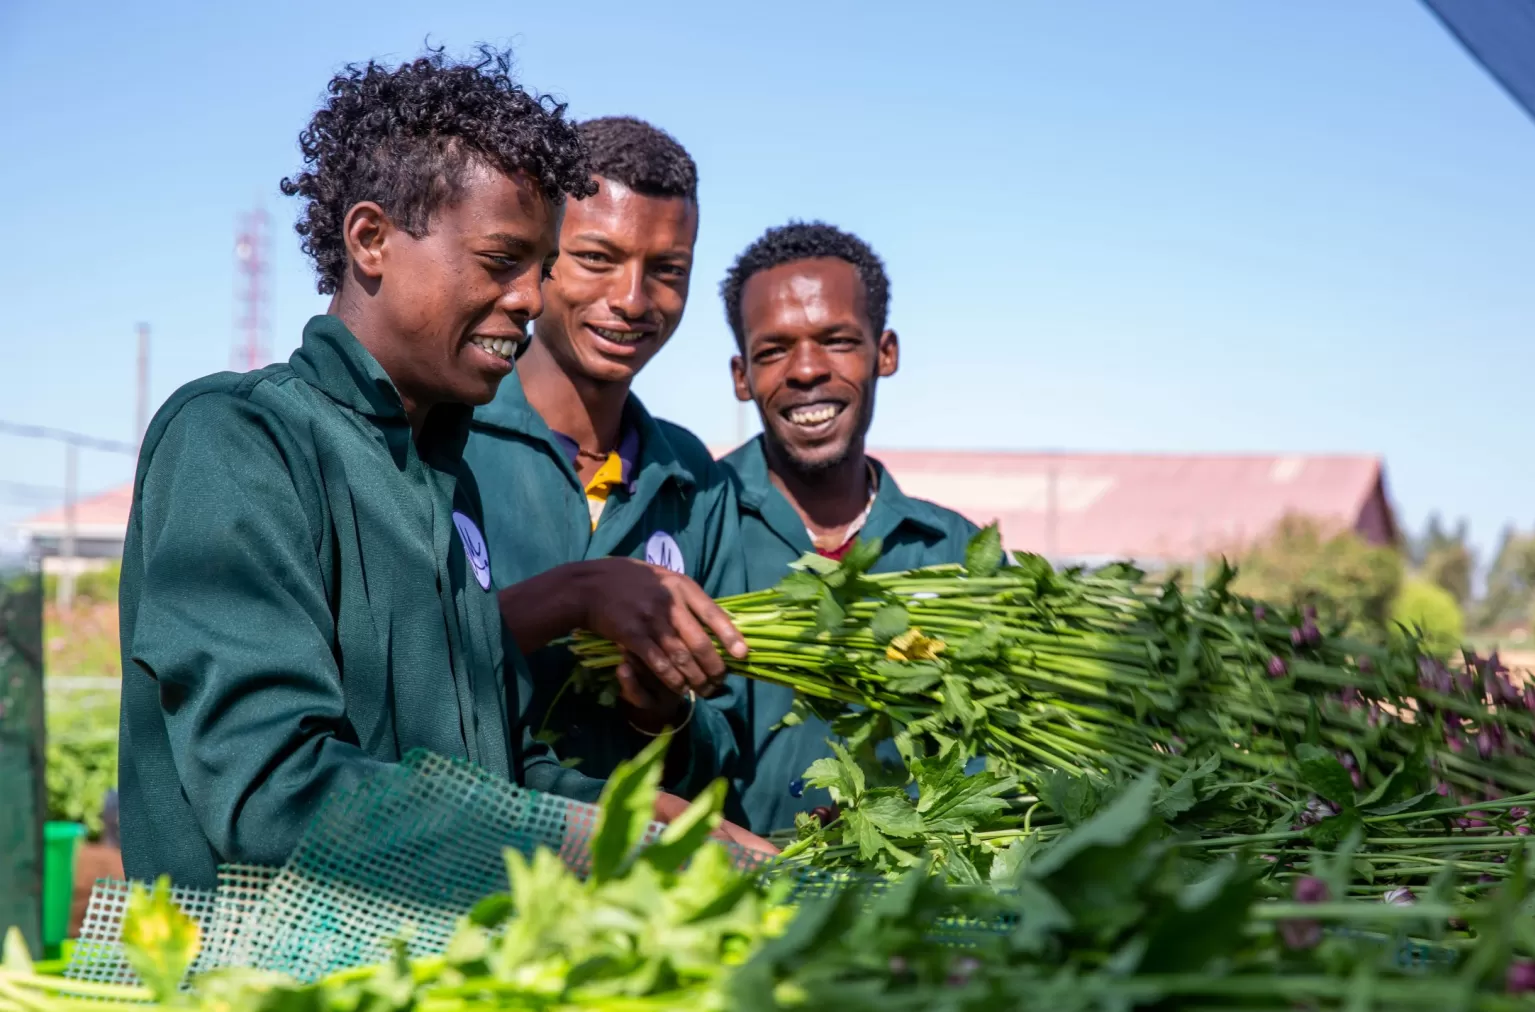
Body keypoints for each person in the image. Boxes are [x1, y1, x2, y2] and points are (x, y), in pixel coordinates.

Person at [117, 51, 765, 889]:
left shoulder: (439, 477)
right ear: (371, 240)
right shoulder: (239, 441)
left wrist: (653, 824)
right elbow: (274, 793)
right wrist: (580, 837)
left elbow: (492, 774)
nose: (533, 298)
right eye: (503, 262)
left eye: (539, 267)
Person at [464, 117, 750, 788]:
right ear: (541, 258)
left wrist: (663, 713)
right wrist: (573, 598)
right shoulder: (449, 436)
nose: (631, 300)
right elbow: (398, 677)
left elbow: (726, 747)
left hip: (643, 882)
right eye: (598, 258)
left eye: (667, 271)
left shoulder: (694, 480)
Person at [716, 221, 983, 835]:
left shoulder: (957, 554)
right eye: (774, 349)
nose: (807, 370)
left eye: (837, 340)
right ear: (740, 375)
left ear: (884, 353)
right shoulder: (694, 523)